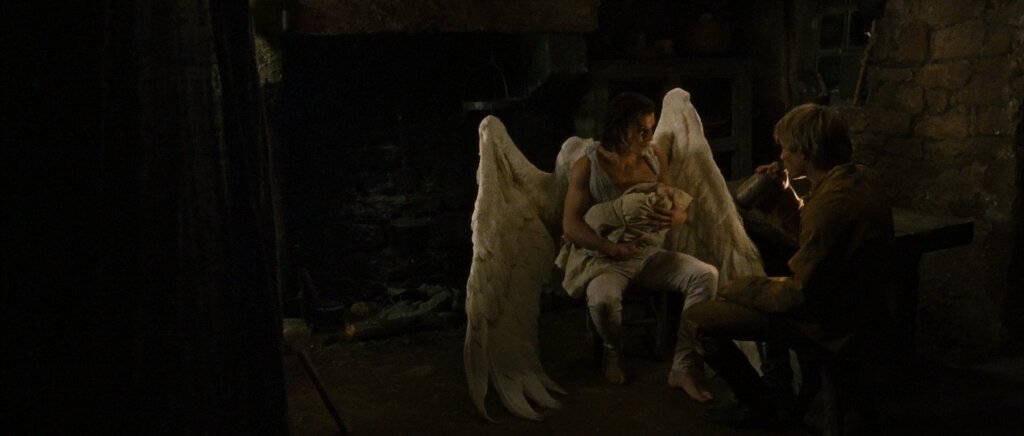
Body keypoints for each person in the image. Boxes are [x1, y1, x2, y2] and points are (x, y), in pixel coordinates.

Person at [685, 103, 895, 428]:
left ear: (805, 153)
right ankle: (779, 386)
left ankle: (760, 406)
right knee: (766, 292)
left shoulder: (830, 205)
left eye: (786, 148)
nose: (781, 156)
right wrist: (782, 199)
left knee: (700, 319)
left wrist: (741, 288)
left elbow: (799, 294)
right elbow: (817, 238)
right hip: (859, 307)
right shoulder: (860, 180)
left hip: (830, 321)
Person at [555, 92, 719, 403]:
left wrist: (678, 215)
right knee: (603, 300)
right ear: (619, 128)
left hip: (648, 253)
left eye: (651, 129)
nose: (648, 137)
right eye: (641, 130)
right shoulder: (588, 166)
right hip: (605, 259)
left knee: (706, 275)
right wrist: (609, 248)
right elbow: (570, 224)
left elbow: (670, 198)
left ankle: (683, 366)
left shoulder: (655, 157)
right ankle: (613, 351)